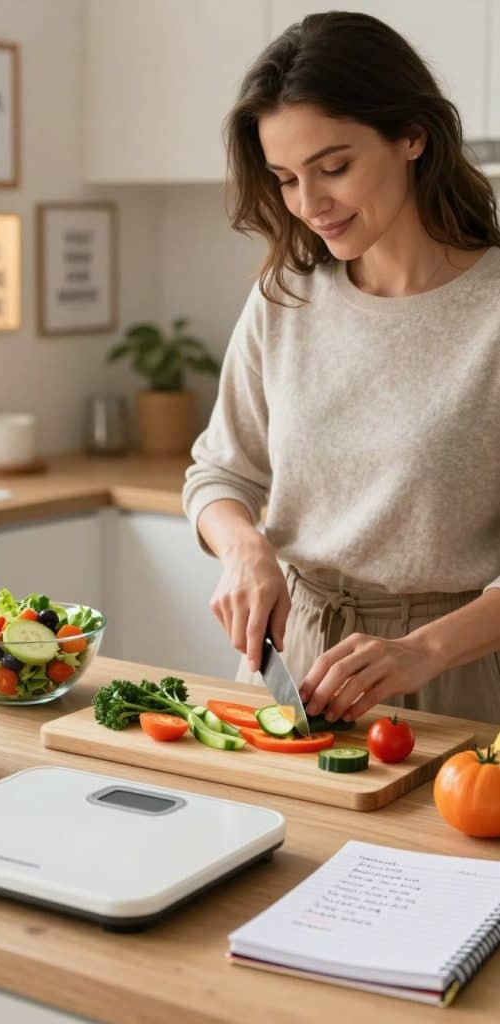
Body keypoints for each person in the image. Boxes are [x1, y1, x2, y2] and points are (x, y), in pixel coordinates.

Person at [182, 11, 500, 724]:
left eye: (333, 167)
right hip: (292, 663)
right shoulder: (284, 297)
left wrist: (423, 650)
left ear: (412, 135)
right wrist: (243, 551)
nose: (309, 204)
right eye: (286, 178)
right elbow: (217, 473)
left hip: (458, 677)